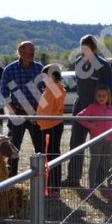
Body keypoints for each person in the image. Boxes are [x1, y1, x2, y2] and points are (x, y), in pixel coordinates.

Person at [64, 35, 112, 187]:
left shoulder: (103, 65)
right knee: (76, 143)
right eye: (82, 47)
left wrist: (104, 107)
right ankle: (73, 178)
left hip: (98, 111)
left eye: (87, 48)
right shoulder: (78, 63)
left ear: (94, 48)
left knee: (101, 145)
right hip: (81, 107)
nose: (83, 50)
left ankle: (99, 180)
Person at [0, 41, 45, 175]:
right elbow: (3, 93)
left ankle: (41, 176)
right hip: (17, 113)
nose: (32, 53)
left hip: (36, 114)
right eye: (30, 50)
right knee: (13, 148)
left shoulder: (40, 68)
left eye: (33, 50)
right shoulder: (10, 69)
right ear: (21, 52)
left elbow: (47, 91)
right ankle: (11, 178)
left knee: (40, 148)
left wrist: (40, 111)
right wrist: (13, 110)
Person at [76, 84, 112, 197]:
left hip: (109, 141)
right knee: (94, 164)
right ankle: (91, 187)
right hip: (96, 141)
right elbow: (79, 117)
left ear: (108, 97)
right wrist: (90, 126)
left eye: (104, 95)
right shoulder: (92, 107)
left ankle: (110, 187)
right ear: (95, 96)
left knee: (108, 164)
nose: (101, 98)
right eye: (99, 95)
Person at [36, 63, 66, 191]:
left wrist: (36, 118)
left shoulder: (51, 90)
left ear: (52, 76)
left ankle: (51, 185)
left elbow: (46, 111)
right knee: (54, 154)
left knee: (50, 155)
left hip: (49, 126)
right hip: (55, 124)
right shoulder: (59, 88)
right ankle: (54, 184)